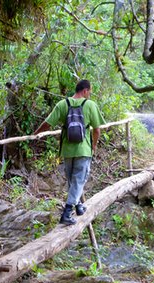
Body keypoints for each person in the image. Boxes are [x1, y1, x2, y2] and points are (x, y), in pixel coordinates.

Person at [34, 79, 106, 225]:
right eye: (89, 92)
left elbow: (48, 123)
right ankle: (67, 213)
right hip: (83, 149)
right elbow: (97, 130)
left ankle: (79, 206)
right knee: (79, 180)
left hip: (67, 150)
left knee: (72, 181)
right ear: (85, 90)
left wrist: (35, 133)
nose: (89, 95)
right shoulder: (90, 105)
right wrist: (94, 146)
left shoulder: (62, 104)